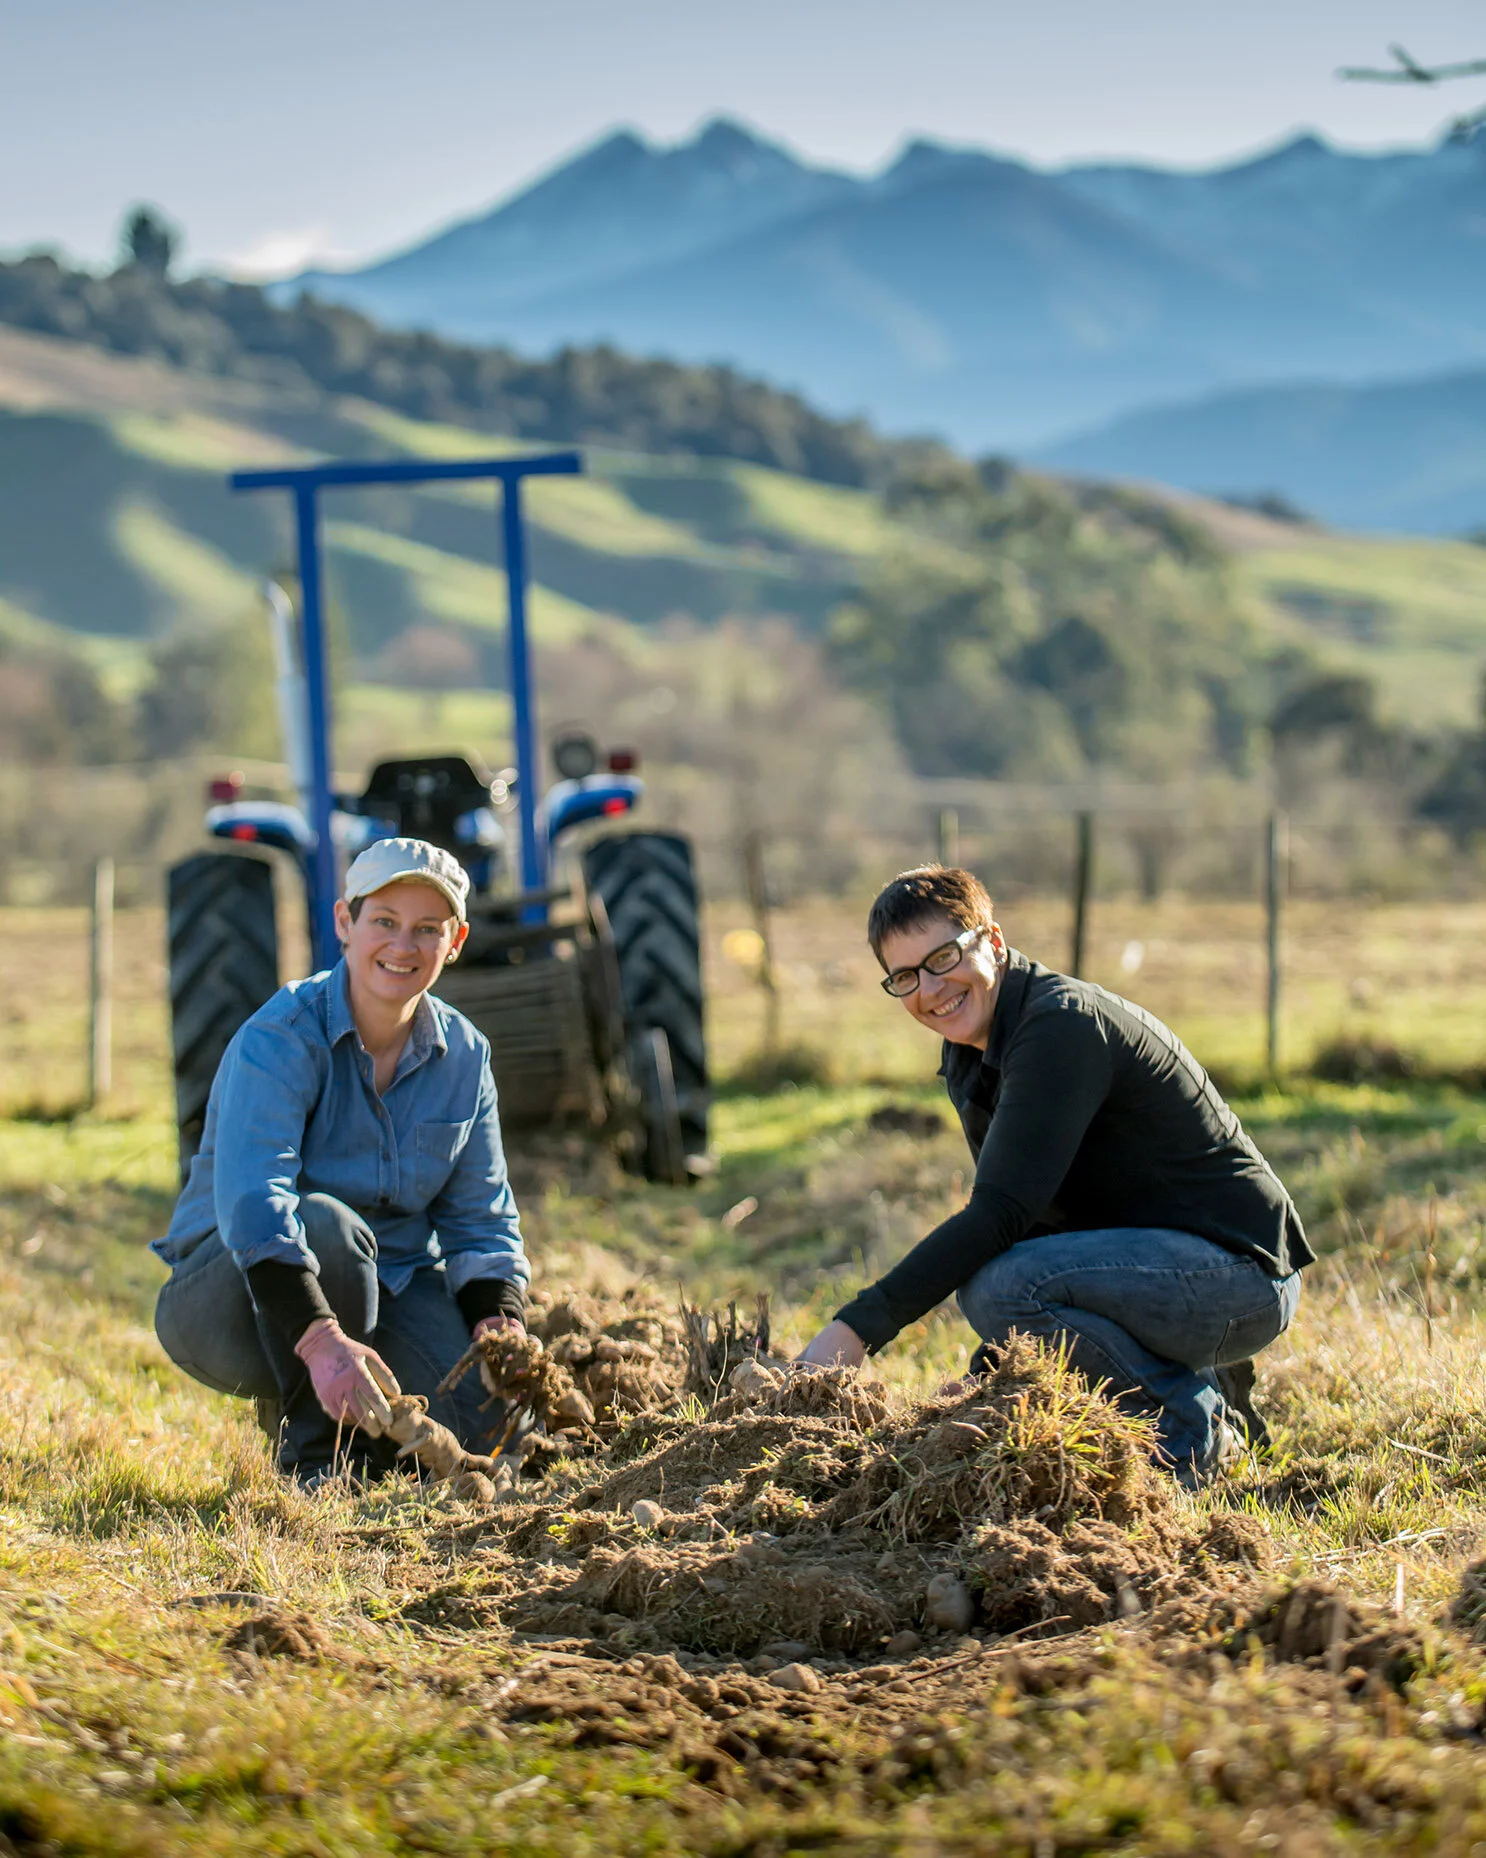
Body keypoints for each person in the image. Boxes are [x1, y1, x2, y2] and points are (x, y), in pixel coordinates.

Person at [798, 865, 1311, 1482]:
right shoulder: (971, 1048)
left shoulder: (1059, 1027)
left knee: (1001, 1289)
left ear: (991, 940)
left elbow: (999, 1214)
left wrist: (855, 1331)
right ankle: (1205, 1391)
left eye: (942, 957)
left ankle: (1189, 1427)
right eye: (905, 976)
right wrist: (996, 1375)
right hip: (1169, 1266)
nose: (930, 988)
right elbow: (1034, 1218)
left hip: (1242, 1277)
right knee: (1006, 1288)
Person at [153, 837, 529, 1487]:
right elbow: (255, 1203)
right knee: (326, 1225)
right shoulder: (281, 1037)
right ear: (344, 924)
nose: (403, 947)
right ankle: (315, 1455)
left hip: (391, 1283)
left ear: (457, 939)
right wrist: (322, 1341)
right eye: (384, 922)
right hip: (239, 1290)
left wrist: (501, 1324)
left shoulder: (466, 1057)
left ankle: (370, 1434)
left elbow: (481, 1219)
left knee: (490, 1428)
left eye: (426, 930)